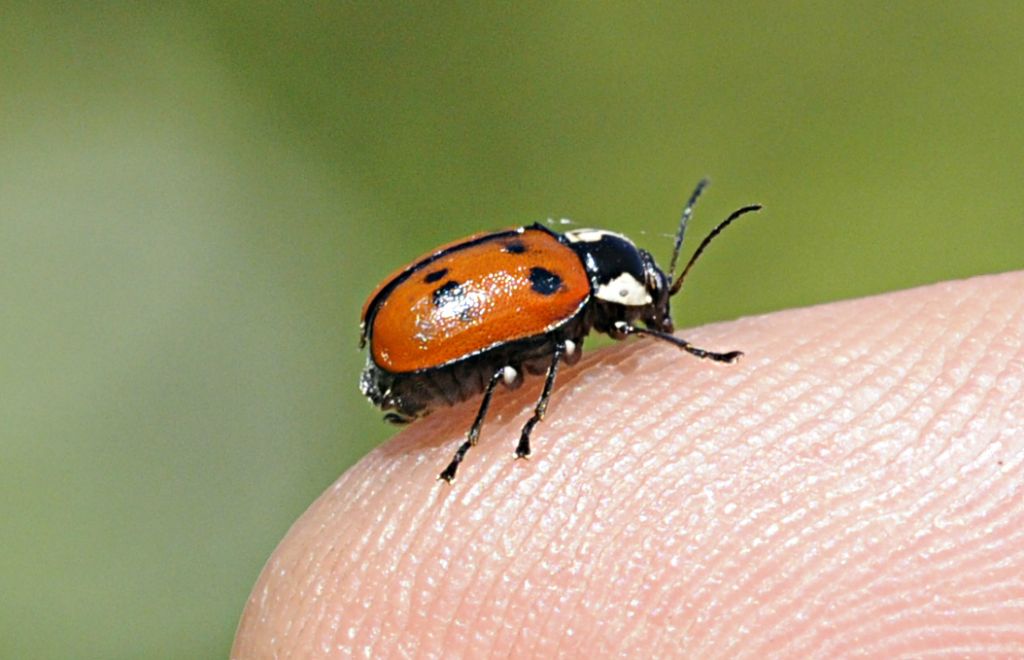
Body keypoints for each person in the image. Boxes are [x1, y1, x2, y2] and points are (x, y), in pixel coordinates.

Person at [233, 271, 1024, 657]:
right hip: (420, 355)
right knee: (523, 374)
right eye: (648, 308)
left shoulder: (566, 275)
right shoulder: (561, 285)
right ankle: (475, 441)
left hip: (411, 345)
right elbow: (529, 363)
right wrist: (507, 431)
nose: (648, 318)